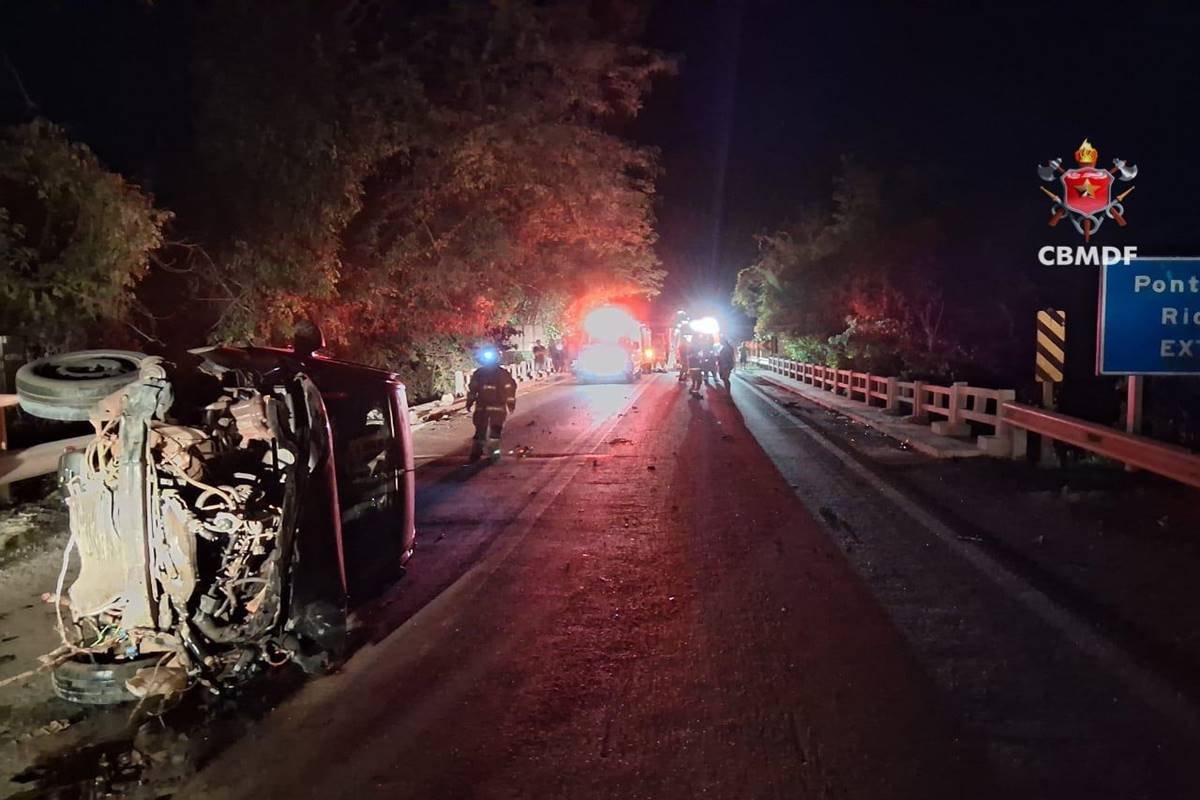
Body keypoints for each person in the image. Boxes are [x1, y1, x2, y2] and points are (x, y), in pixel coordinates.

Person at [466, 348, 517, 462]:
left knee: (482, 431)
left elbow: (472, 390)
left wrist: (469, 402)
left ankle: (477, 453)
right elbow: (510, 388)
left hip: (482, 408)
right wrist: (511, 403)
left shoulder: (479, 373)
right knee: (492, 431)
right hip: (495, 408)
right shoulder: (502, 373)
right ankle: (492, 454)